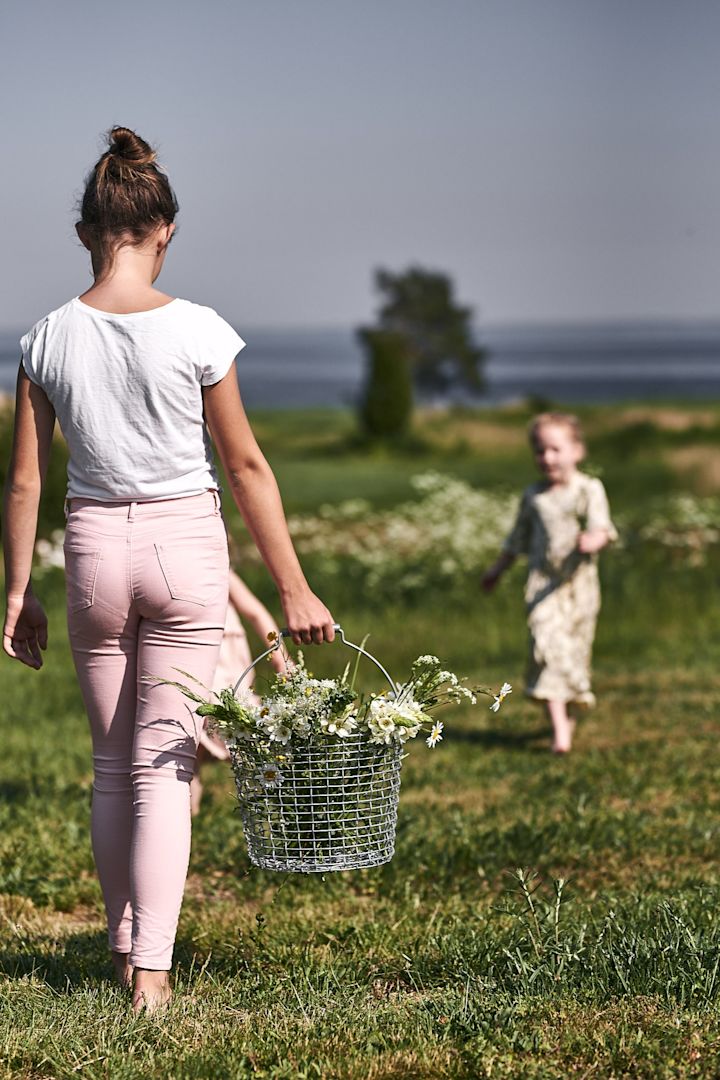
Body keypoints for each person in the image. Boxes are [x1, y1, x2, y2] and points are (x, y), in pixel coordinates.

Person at [1, 127, 334, 1013]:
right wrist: (293, 587)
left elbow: (28, 476)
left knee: (113, 767)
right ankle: (152, 972)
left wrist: (17, 592)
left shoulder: (43, 338)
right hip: (187, 548)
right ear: (166, 230)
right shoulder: (200, 330)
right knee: (165, 765)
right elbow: (248, 468)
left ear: (85, 232)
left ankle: (125, 951)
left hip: (92, 548)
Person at [482, 412, 616, 754]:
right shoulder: (534, 497)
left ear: (577, 450)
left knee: (573, 653)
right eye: (540, 451)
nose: (547, 458)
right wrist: (497, 570)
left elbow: (602, 526)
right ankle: (561, 735)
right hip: (542, 588)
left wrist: (594, 540)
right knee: (546, 647)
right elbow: (517, 539)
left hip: (579, 587)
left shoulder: (588, 489)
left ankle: (565, 715)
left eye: (555, 449)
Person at [190, 566, 293, 816]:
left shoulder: (219, 569)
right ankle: (187, 821)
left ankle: (267, 807)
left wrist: (281, 658)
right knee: (190, 751)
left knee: (236, 738)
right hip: (202, 663)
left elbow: (256, 613)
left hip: (229, 670)